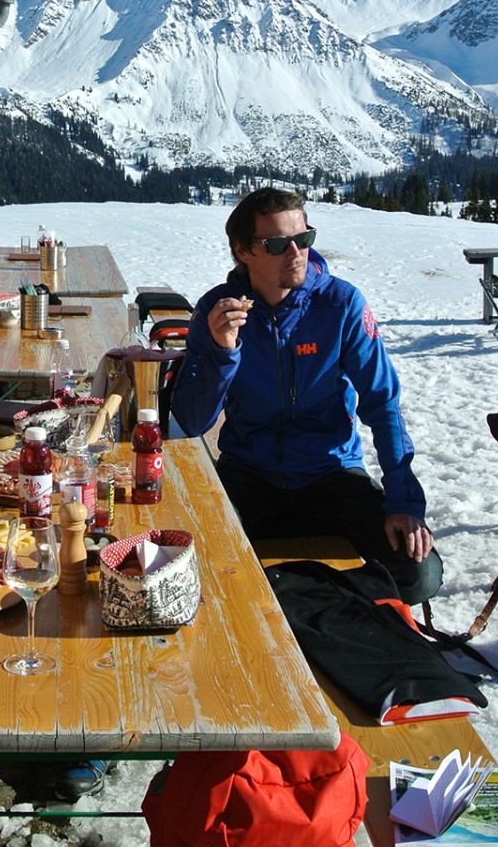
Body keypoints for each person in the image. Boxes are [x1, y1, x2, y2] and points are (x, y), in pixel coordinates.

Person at [171, 187, 442, 605]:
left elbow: (382, 403)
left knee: (420, 575)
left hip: (330, 473)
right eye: (278, 244)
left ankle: (327, 616)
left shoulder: (341, 305)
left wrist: (404, 501)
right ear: (243, 251)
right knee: (184, 574)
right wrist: (224, 353)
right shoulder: (216, 311)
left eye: (305, 238)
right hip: (250, 473)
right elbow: (192, 421)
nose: (296, 252)